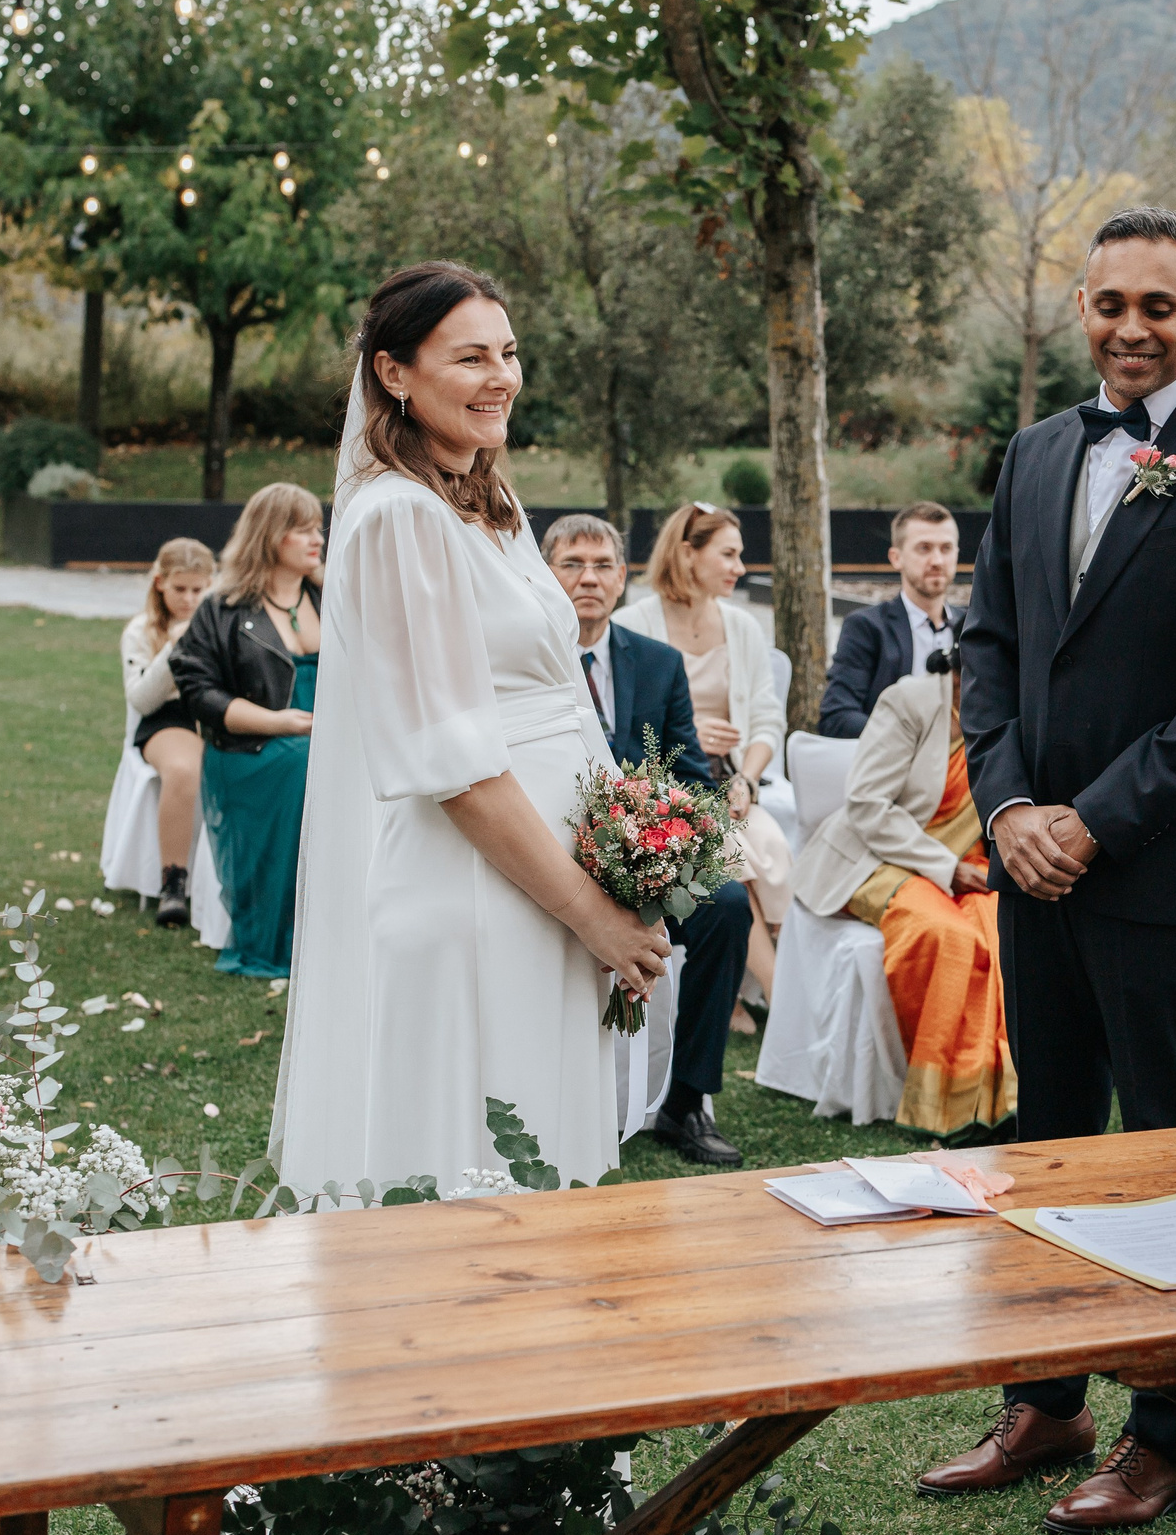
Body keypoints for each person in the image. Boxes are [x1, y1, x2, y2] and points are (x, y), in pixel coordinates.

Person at [937, 206, 1176, 1534]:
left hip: (1152, 877)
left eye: (1159, 304)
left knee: (1162, 1158)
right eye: (1109, 303)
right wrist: (1014, 803)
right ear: (1078, 308)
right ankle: (1047, 1396)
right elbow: (986, 643)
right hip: (1034, 870)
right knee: (1046, 1143)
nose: (1132, 326)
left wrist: (1097, 816)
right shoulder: (1035, 452)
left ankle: (1168, 1432)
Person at [272, 262, 667, 1196]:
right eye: (472, 357)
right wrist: (592, 913)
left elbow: (562, 697)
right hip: (475, 901)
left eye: (511, 353)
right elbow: (457, 768)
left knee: (544, 1180)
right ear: (394, 373)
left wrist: (633, 850)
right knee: (478, 1181)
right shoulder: (399, 520)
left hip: (548, 885)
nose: (503, 377)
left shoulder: (491, 502)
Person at [544, 512, 755, 1168]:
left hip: (649, 854)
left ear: (623, 575)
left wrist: (686, 836)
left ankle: (685, 1100)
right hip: (550, 854)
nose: (588, 578)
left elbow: (689, 772)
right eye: (572, 564)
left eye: (603, 564)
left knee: (728, 905)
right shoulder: (528, 655)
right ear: (545, 574)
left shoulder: (658, 663)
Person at [793, 628, 1014, 1136]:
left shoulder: (1011, 709)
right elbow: (868, 806)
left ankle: (995, 1097)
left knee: (999, 930)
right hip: (874, 858)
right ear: (962, 663)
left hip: (967, 862)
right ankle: (946, 1104)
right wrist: (943, 866)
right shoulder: (911, 700)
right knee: (947, 936)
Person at [617, 501, 792, 1034]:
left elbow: (766, 718)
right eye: (729, 554)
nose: (740, 568)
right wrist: (688, 737)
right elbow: (627, 725)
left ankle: (740, 988)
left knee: (770, 844)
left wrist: (745, 776)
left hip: (732, 781)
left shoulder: (740, 626)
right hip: (666, 789)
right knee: (733, 852)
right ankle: (787, 1009)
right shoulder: (632, 624)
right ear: (688, 554)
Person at [169, 485, 325, 980]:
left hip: (329, 740)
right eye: (304, 529)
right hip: (254, 747)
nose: (317, 539)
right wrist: (278, 721)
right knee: (303, 766)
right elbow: (199, 691)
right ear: (271, 535)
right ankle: (274, 943)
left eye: (319, 528)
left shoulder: (330, 596)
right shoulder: (225, 608)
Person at [119, 537, 214, 926]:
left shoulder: (218, 620)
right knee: (184, 770)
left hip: (215, 709)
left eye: (198, 590)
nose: (189, 599)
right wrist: (171, 651)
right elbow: (142, 700)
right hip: (168, 715)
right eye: (180, 589)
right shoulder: (141, 631)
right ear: (160, 582)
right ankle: (173, 881)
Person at [816, 501, 967, 738]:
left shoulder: (973, 627)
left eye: (946, 548)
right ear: (896, 558)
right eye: (924, 548)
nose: (937, 560)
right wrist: (907, 739)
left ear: (957, 554)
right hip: (899, 762)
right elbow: (837, 716)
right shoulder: (866, 628)